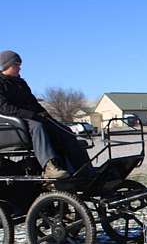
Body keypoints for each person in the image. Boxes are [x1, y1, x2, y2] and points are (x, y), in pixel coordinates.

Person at [0, 50, 90, 179]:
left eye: (19, 64)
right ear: (6, 65)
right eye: (16, 65)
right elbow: (4, 108)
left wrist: (45, 115)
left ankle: (83, 168)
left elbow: (33, 102)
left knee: (64, 130)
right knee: (37, 126)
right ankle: (50, 166)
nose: (19, 68)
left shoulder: (21, 83)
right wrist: (31, 115)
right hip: (14, 121)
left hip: (29, 116)